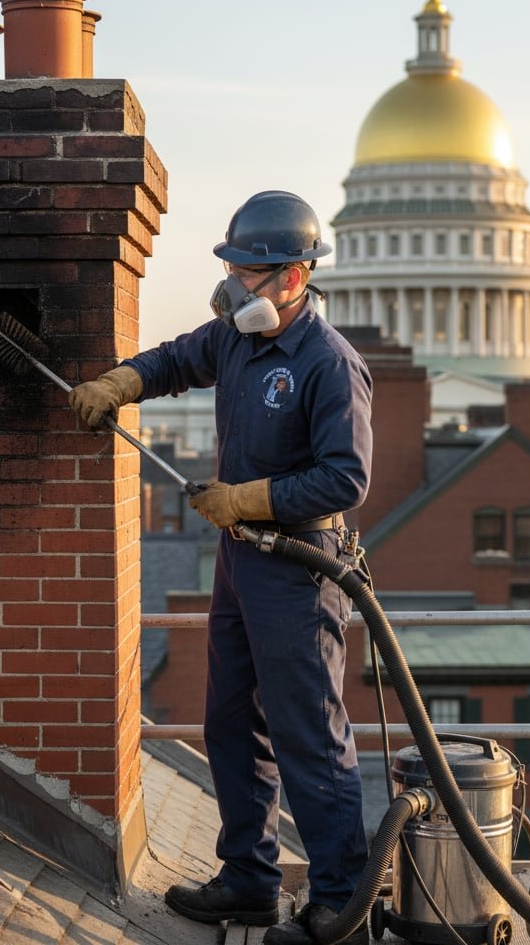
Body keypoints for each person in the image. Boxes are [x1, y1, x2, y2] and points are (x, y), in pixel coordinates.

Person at [69, 190, 373, 945]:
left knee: (309, 733)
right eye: (233, 270)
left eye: (249, 274)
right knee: (231, 721)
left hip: (297, 565)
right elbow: (178, 358)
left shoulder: (330, 365)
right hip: (242, 562)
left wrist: (246, 498)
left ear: (293, 278)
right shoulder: (236, 340)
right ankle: (249, 880)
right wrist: (122, 380)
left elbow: (345, 479)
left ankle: (339, 906)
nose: (237, 286)